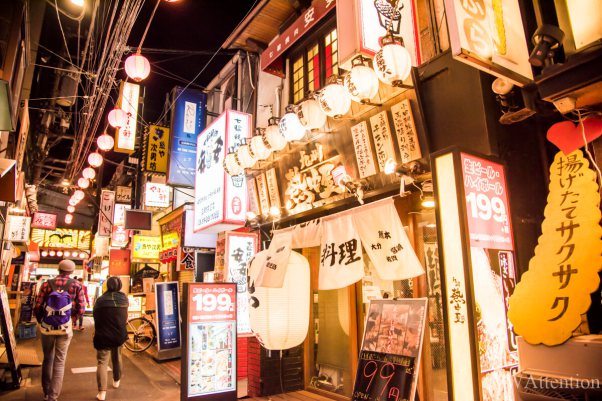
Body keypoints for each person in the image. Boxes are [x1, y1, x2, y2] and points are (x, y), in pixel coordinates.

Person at [34, 259, 85, 401]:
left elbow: (37, 307)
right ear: (72, 271)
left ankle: (45, 391)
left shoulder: (46, 284)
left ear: (58, 270)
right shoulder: (76, 285)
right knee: (59, 361)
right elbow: (81, 309)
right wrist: (72, 321)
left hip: (47, 328)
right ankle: (53, 396)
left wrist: (42, 322)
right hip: (65, 328)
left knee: (47, 358)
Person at [93, 276, 129, 401]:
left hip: (103, 334)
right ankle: (116, 380)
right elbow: (125, 316)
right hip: (119, 334)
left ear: (107, 285)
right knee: (117, 357)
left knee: (102, 362)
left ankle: (102, 393)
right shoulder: (123, 298)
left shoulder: (100, 300)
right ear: (119, 286)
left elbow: (95, 317)